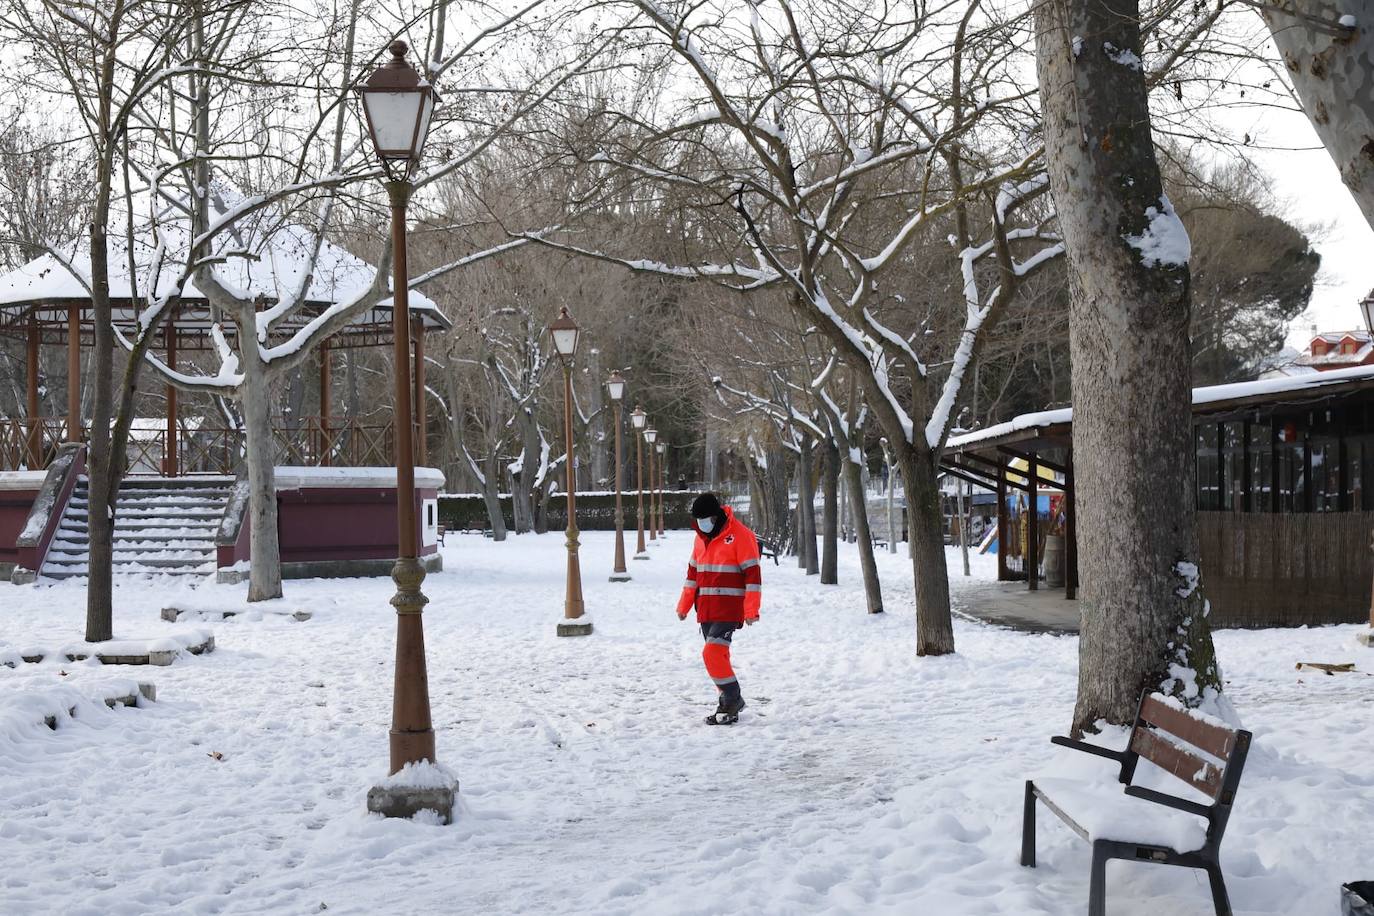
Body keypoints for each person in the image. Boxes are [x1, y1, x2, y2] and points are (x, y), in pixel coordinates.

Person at [676, 492, 762, 725]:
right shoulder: (699, 539)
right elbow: (692, 574)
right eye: (698, 521)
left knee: (711, 653)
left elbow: (752, 576)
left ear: (716, 517)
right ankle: (728, 704)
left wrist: (751, 610)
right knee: (718, 657)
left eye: (705, 520)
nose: (702, 525)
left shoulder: (740, 535)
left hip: (729, 609)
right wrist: (683, 605)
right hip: (705, 608)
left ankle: (732, 697)